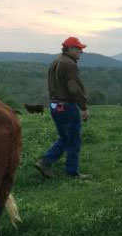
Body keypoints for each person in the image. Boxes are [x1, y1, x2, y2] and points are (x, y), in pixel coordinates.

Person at [34, 37, 90, 179]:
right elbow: (74, 88)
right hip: (67, 107)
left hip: (54, 105)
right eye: (78, 49)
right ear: (70, 49)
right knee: (74, 140)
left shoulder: (56, 62)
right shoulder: (69, 64)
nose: (80, 52)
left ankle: (45, 162)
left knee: (65, 137)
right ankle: (72, 173)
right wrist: (83, 107)